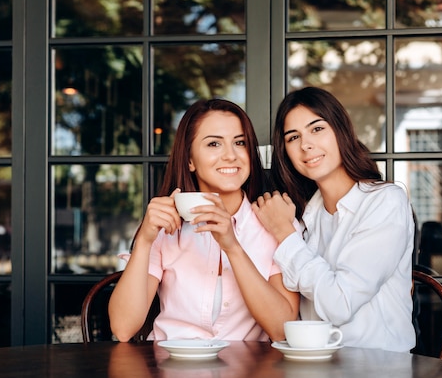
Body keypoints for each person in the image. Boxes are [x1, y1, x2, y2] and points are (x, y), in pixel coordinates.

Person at [108, 98, 299, 343]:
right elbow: (123, 329)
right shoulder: (164, 227)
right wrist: (144, 241)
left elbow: (282, 330)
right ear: (189, 160)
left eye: (240, 143)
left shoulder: (275, 223)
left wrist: (232, 247)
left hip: (248, 374)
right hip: (169, 369)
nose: (231, 155)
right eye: (214, 144)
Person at [252, 87, 415, 352]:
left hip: (378, 374)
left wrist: (284, 233)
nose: (306, 145)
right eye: (293, 137)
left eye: (317, 129)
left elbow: (339, 303)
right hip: (312, 371)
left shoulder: (385, 201)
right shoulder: (305, 216)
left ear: (341, 130)